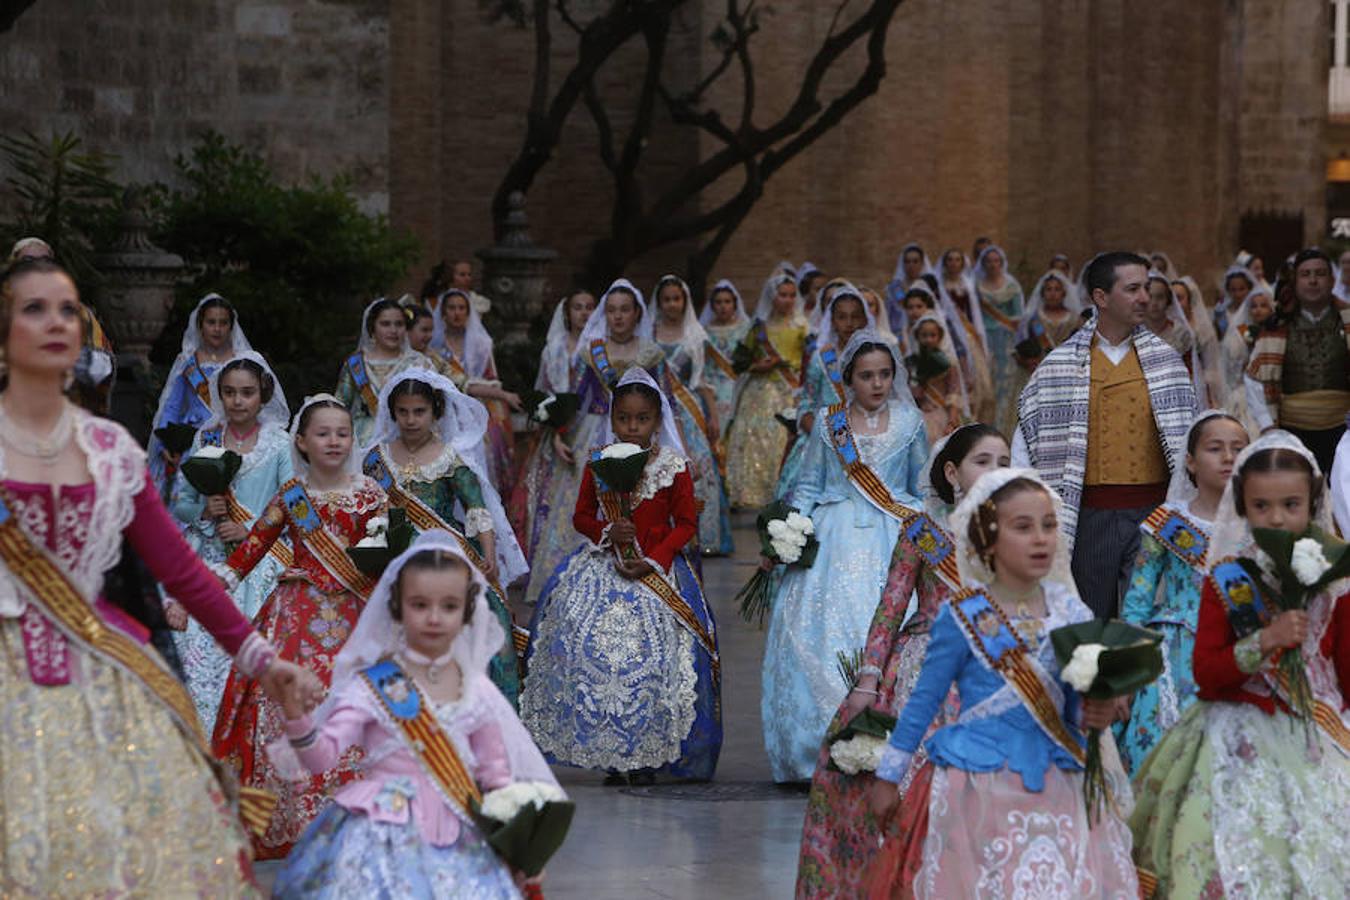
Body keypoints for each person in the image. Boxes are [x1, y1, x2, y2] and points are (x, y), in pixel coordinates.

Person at [0, 257, 319, 894]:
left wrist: (262, 660)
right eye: (35, 308)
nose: (59, 321)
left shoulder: (110, 450)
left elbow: (180, 568)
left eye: (69, 309)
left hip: (106, 674)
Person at [867, 469, 1139, 898]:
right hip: (977, 785)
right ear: (986, 539)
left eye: (1049, 526)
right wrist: (887, 778)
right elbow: (923, 703)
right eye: (1023, 527)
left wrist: (1097, 708)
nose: (1041, 539)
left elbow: (1072, 706)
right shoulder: (963, 615)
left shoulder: (1071, 613)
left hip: (1058, 778)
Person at [271, 533, 561, 898]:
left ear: (467, 611)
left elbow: (496, 778)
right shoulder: (372, 686)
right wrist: (295, 712)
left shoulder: (477, 692)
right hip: (379, 837)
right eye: (420, 605)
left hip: (460, 836)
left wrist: (519, 841)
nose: (434, 618)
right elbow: (320, 758)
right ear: (397, 607)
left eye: (449, 606)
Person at [1129, 432, 1350, 897]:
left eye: (1291, 504)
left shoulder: (1335, 576)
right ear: (1243, 508)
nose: (1277, 518)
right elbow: (1207, 675)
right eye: (1261, 506)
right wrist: (1264, 642)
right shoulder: (1228, 577)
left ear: (1312, 503)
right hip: (1237, 733)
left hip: (1319, 732)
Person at [795, 424, 1009, 899]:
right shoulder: (923, 531)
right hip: (924, 668)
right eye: (982, 461)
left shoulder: (1018, 527)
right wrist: (869, 679)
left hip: (995, 668)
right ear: (952, 472)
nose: (995, 472)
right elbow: (890, 608)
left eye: (1003, 462)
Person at [521, 369, 721, 783]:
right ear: (612, 419)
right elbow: (581, 517)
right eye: (624, 419)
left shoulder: (673, 466)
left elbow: (685, 523)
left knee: (653, 662)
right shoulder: (599, 460)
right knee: (595, 655)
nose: (632, 427)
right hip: (604, 566)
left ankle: (647, 755)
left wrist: (658, 557)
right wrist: (607, 531)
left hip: (657, 569)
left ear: (656, 420)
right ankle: (611, 753)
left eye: (642, 419)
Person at [212, 395, 389, 860]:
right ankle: (293, 817)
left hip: (357, 615)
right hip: (295, 615)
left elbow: (388, 548)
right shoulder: (291, 495)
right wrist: (220, 580)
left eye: (343, 433)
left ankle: (361, 814)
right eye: (323, 433)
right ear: (303, 442)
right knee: (283, 708)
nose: (334, 441)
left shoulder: (372, 494)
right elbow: (254, 545)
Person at [762, 331, 928, 782]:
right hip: (832, 538)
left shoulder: (911, 423)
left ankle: (885, 740)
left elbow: (919, 487)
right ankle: (813, 748)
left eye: (884, 375)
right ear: (848, 379)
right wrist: (790, 532)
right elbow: (811, 484)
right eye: (866, 376)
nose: (876, 384)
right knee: (816, 635)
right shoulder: (829, 421)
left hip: (891, 534)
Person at [1014, 251, 1196, 619]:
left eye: (1146, 287)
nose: (1145, 297)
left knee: (1145, 622)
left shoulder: (1167, 364)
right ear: (1101, 298)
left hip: (1154, 514)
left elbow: (1190, 441)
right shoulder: (1060, 366)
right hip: (1088, 517)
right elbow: (1029, 442)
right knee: (1088, 622)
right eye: (1132, 289)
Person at [362, 369, 527, 704]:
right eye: (403, 412)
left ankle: (489, 707)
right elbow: (364, 508)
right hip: (391, 554)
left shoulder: (450, 457)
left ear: (435, 412)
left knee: (489, 613)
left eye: (419, 412)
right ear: (393, 413)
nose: (410, 420)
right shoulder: (377, 458)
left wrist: (489, 555)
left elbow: (477, 509)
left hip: (446, 551)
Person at [1115, 411, 1249, 772]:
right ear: (1190, 462)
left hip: (1240, 650)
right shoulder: (1168, 522)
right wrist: (1126, 672)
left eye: (1239, 448)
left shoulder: (1259, 524)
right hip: (1174, 654)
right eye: (1215, 448)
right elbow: (1138, 600)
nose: (1228, 457)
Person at [169, 352, 294, 729]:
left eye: (247, 393)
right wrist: (205, 511)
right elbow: (180, 504)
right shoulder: (204, 437)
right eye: (229, 392)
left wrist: (251, 528)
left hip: (259, 562)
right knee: (196, 657)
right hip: (205, 558)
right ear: (218, 395)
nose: (238, 401)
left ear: (262, 395)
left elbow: (292, 505)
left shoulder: (279, 444)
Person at [521, 279, 664, 606]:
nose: (618, 317)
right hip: (594, 429)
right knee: (583, 500)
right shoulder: (593, 351)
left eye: (624, 310)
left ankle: (635, 562)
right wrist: (558, 436)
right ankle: (574, 578)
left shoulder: (650, 352)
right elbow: (580, 397)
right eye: (611, 310)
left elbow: (665, 403)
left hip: (639, 432)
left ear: (637, 313)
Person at [1245, 248, 1350, 471]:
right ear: (1295, 282)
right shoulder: (1275, 327)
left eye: (1320, 274)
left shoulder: (1348, 320)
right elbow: (1255, 379)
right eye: (1306, 274)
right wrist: (1268, 427)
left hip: (1345, 432)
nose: (1313, 281)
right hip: (1291, 432)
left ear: (1333, 280)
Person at [650, 275, 734, 555]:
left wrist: (713, 417)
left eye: (677, 298)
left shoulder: (696, 336)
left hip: (689, 409)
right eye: (667, 299)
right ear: (659, 303)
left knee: (698, 470)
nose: (672, 304)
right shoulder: (648, 335)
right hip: (655, 410)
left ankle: (703, 537)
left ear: (685, 301)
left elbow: (702, 380)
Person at [510, 289, 597, 553]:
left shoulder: (598, 347)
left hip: (590, 425)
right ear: (567, 313)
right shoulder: (553, 349)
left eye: (589, 306)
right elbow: (545, 389)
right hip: (557, 430)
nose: (584, 312)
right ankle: (554, 552)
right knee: (551, 492)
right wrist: (550, 419)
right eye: (578, 307)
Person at [149, 293, 252, 499]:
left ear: (231, 326)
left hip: (234, 440)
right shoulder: (188, 363)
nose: (217, 328)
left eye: (223, 323)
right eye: (211, 322)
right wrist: (165, 444)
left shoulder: (242, 362)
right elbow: (172, 407)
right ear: (200, 325)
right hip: (194, 442)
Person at [778, 284, 872, 502]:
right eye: (842, 317)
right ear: (832, 321)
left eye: (855, 316)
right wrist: (821, 432)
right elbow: (806, 403)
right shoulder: (821, 359)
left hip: (869, 440)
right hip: (823, 438)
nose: (849, 323)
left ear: (865, 320)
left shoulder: (876, 357)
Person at [725, 270, 807, 509]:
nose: (788, 300)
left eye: (792, 295)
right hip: (759, 393)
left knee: (784, 441)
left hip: (790, 391)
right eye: (783, 295)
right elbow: (739, 362)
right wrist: (756, 366)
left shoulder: (803, 327)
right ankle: (756, 496)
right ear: (772, 296)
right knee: (756, 442)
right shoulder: (759, 328)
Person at [436, 288, 523, 496]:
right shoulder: (436, 346)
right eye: (451, 308)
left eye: (461, 308)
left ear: (468, 312)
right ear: (443, 313)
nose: (457, 313)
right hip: (448, 405)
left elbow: (492, 379)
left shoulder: (481, 344)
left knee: (491, 446)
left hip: (482, 403)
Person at [335, 297, 433, 447]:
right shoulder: (355, 364)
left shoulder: (419, 363)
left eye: (399, 324)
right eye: (385, 324)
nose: (393, 330)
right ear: (372, 328)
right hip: (361, 442)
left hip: (406, 439)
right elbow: (340, 405)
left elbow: (432, 404)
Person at [973, 244, 1025, 435]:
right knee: (987, 387)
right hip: (984, 342)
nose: (992, 264)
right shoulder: (976, 286)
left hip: (1007, 342)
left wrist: (1003, 325)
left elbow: (1019, 316)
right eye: (988, 261)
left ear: (1002, 263)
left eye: (996, 261)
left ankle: (1003, 429)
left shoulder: (1012, 286)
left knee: (1006, 387)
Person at [937, 248, 994, 423]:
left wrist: (980, 339)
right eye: (950, 259)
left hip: (969, 337)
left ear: (963, 263)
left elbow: (975, 313)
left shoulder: (968, 284)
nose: (954, 263)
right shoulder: (940, 286)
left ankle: (978, 421)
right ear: (945, 264)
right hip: (950, 337)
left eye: (957, 259)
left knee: (981, 385)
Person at [699, 278, 752, 446]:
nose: (723, 306)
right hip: (713, 391)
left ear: (735, 304)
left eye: (727, 302)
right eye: (718, 302)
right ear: (712, 306)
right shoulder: (703, 332)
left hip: (740, 386)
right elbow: (702, 366)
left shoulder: (746, 328)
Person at [906, 315, 963, 442]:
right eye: (924, 335)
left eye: (933, 335)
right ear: (917, 337)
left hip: (941, 413)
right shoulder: (911, 362)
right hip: (918, 415)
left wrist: (952, 421)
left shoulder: (949, 363)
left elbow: (953, 392)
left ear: (940, 337)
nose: (928, 340)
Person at [1014, 270, 1082, 373]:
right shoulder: (1035, 319)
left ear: (1064, 293)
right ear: (1042, 293)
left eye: (1057, 289)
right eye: (1048, 289)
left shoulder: (1075, 319)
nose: (1053, 294)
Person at [403, 302, 460, 382]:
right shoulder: (394, 358)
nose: (430, 336)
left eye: (431, 330)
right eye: (425, 330)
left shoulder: (432, 356)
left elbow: (460, 381)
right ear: (407, 330)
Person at [885, 243, 933, 334]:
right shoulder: (895, 288)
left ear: (922, 263)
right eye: (907, 261)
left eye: (915, 261)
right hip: (897, 335)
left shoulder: (927, 286)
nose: (911, 265)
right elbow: (888, 313)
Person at [1214, 265, 1255, 338]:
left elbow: (1249, 339)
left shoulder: (1253, 310)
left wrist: (1240, 325)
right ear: (1228, 291)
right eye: (1233, 290)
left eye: (1242, 289)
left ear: (1249, 289)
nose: (1238, 294)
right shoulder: (1222, 312)